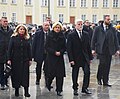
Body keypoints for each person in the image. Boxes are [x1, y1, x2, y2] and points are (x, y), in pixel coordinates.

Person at [91, 15, 120, 87]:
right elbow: (93, 39)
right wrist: (93, 49)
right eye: (108, 20)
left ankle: (105, 81)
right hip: (101, 49)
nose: (109, 21)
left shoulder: (112, 29)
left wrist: (117, 49)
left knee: (107, 65)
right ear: (104, 20)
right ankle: (99, 77)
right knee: (102, 64)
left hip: (109, 50)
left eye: (110, 20)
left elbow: (115, 40)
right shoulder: (98, 28)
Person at [67, 19, 93, 96]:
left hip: (85, 57)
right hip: (75, 58)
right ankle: (75, 88)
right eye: (78, 24)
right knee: (75, 73)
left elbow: (88, 47)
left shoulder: (86, 34)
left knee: (87, 72)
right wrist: (71, 59)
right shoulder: (71, 35)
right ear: (75, 25)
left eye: (81, 24)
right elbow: (69, 48)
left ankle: (85, 88)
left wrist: (90, 58)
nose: (80, 26)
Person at [7, 24, 32, 97]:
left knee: (25, 76)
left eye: (23, 29)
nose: (22, 30)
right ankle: (17, 90)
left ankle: (26, 91)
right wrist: (9, 59)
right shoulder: (13, 38)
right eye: (21, 29)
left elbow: (29, 49)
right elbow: (10, 49)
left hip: (25, 59)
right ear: (18, 30)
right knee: (16, 75)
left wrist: (30, 59)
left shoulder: (27, 38)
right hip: (15, 59)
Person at [45, 22, 66, 96]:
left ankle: (59, 89)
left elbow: (64, 47)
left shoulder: (62, 36)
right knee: (51, 74)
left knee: (60, 75)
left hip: (59, 57)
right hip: (51, 57)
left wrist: (61, 52)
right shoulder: (49, 35)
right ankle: (48, 82)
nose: (57, 29)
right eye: (56, 27)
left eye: (59, 27)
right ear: (53, 28)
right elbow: (47, 46)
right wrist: (54, 52)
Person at [32, 21, 50, 86]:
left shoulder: (50, 33)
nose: (47, 27)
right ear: (43, 26)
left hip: (48, 53)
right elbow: (34, 44)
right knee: (38, 66)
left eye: (48, 25)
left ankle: (47, 80)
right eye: (45, 25)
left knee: (47, 67)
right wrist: (33, 55)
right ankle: (38, 79)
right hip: (40, 53)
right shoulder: (38, 33)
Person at [0, 17, 13, 90]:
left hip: (8, 52)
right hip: (1, 52)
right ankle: (2, 83)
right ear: (1, 22)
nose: (6, 22)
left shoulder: (10, 31)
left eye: (6, 21)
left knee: (9, 69)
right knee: (1, 69)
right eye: (4, 21)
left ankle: (5, 80)